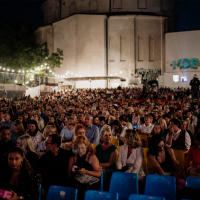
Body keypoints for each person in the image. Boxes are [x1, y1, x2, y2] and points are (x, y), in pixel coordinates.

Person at [68, 135, 101, 200]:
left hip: (91, 182)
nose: (80, 150)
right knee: (70, 185)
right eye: (78, 148)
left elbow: (99, 174)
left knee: (83, 189)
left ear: (86, 146)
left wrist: (86, 171)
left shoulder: (91, 156)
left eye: (82, 148)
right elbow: (68, 175)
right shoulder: (73, 158)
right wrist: (72, 172)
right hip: (78, 181)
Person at [94, 125, 118, 191]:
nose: (108, 137)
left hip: (109, 169)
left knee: (99, 172)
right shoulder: (98, 147)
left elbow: (110, 164)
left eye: (109, 135)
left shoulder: (114, 148)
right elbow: (92, 158)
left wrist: (98, 165)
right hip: (97, 167)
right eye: (106, 135)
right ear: (101, 137)